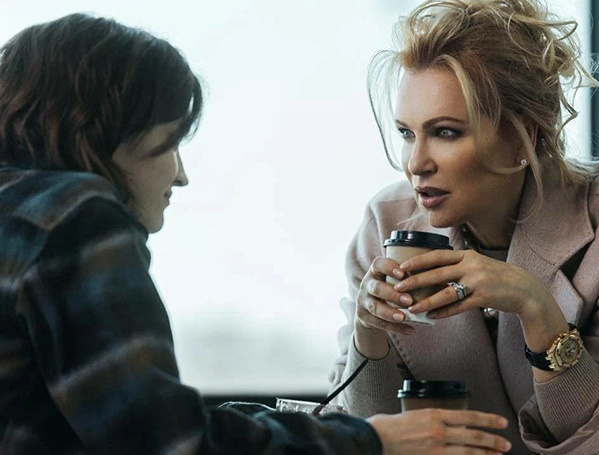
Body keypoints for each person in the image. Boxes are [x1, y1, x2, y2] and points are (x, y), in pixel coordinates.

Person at [0, 13, 510, 455]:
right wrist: (372, 440)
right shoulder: (77, 219)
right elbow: (172, 443)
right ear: (101, 136)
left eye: (444, 131)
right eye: (169, 144)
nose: (180, 175)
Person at [329, 0, 599, 453]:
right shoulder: (386, 224)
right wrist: (368, 334)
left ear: (525, 134)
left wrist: (535, 306)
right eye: (407, 133)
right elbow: (370, 437)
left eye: (445, 132)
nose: (415, 163)